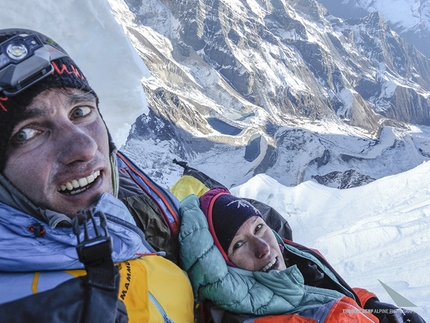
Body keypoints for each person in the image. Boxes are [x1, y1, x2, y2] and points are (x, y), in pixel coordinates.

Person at [0, 28, 194, 322]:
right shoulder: (35, 308)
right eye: (27, 133)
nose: (85, 146)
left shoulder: (115, 206)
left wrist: (222, 215)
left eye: (80, 112)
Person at [179, 187, 426, 323]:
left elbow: (317, 296)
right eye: (238, 244)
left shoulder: (296, 273)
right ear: (226, 266)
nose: (263, 248)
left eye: (258, 228)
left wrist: (368, 304)